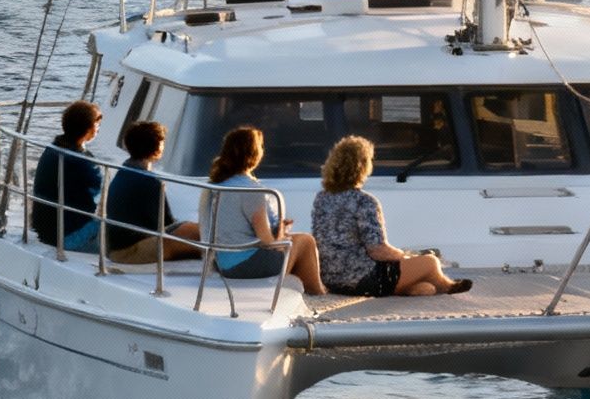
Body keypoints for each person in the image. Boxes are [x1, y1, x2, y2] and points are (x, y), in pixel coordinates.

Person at [312, 136, 469, 297]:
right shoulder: (364, 201)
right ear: (363, 166)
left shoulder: (322, 198)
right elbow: (378, 250)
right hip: (365, 280)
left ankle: (423, 287)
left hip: (332, 281)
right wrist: (406, 257)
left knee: (426, 288)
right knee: (430, 262)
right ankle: (448, 287)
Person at [201, 126, 324, 294]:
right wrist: (281, 232)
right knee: (305, 241)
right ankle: (318, 292)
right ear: (254, 155)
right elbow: (268, 241)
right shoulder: (253, 191)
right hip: (243, 266)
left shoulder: (215, 185)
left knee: (294, 243)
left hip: (221, 262)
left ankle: (312, 291)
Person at [102, 121, 202, 265]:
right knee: (199, 232)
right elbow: (165, 224)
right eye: (162, 142)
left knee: (191, 228)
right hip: (131, 251)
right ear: (155, 148)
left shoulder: (123, 172)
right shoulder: (150, 182)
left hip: (115, 248)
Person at [31, 101, 105, 253]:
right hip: (67, 235)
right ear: (89, 128)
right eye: (97, 125)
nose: (98, 129)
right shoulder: (83, 162)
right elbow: (99, 196)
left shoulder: (52, 149)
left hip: (44, 230)